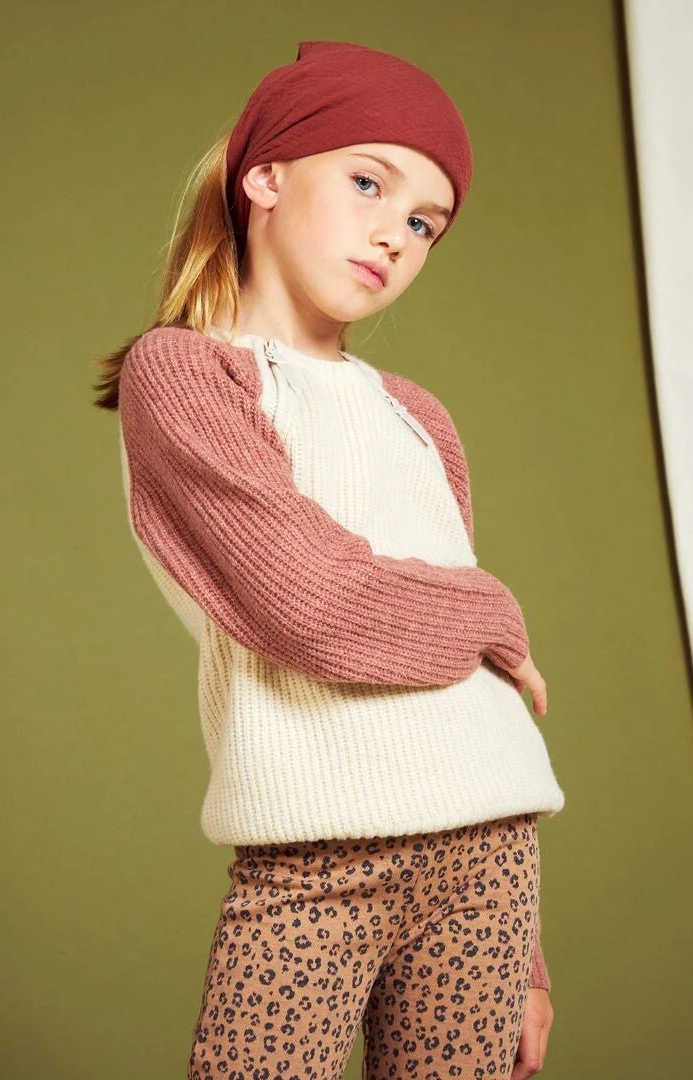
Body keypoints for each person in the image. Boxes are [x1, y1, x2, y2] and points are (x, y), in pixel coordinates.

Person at [92, 39, 565, 1080]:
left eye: (425, 223)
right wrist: (494, 609)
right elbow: (316, 606)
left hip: (490, 862)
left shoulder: (418, 417)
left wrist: (527, 960)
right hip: (313, 862)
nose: (395, 234)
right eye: (367, 183)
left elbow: (470, 687)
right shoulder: (184, 375)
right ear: (264, 176)